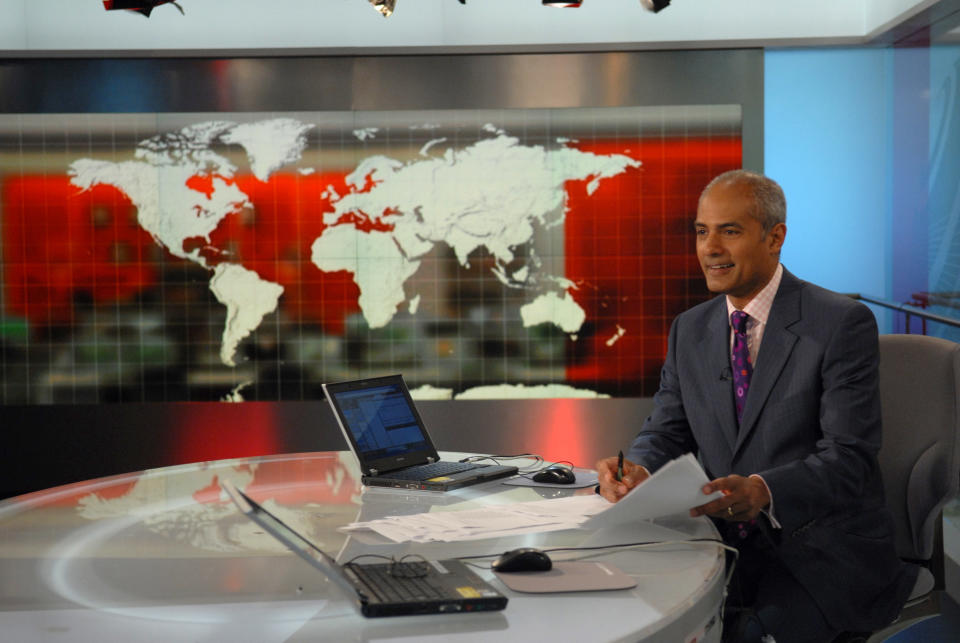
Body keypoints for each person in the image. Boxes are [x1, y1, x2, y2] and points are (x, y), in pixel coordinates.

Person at [596, 170, 916, 642]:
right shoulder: (690, 329)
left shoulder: (840, 323)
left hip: (818, 551)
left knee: (747, 635)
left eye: (729, 231)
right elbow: (666, 429)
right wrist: (636, 467)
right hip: (719, 542)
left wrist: (764, 490)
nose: (710, 248)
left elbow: (850, 457)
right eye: (702, 232)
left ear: (775, 237)